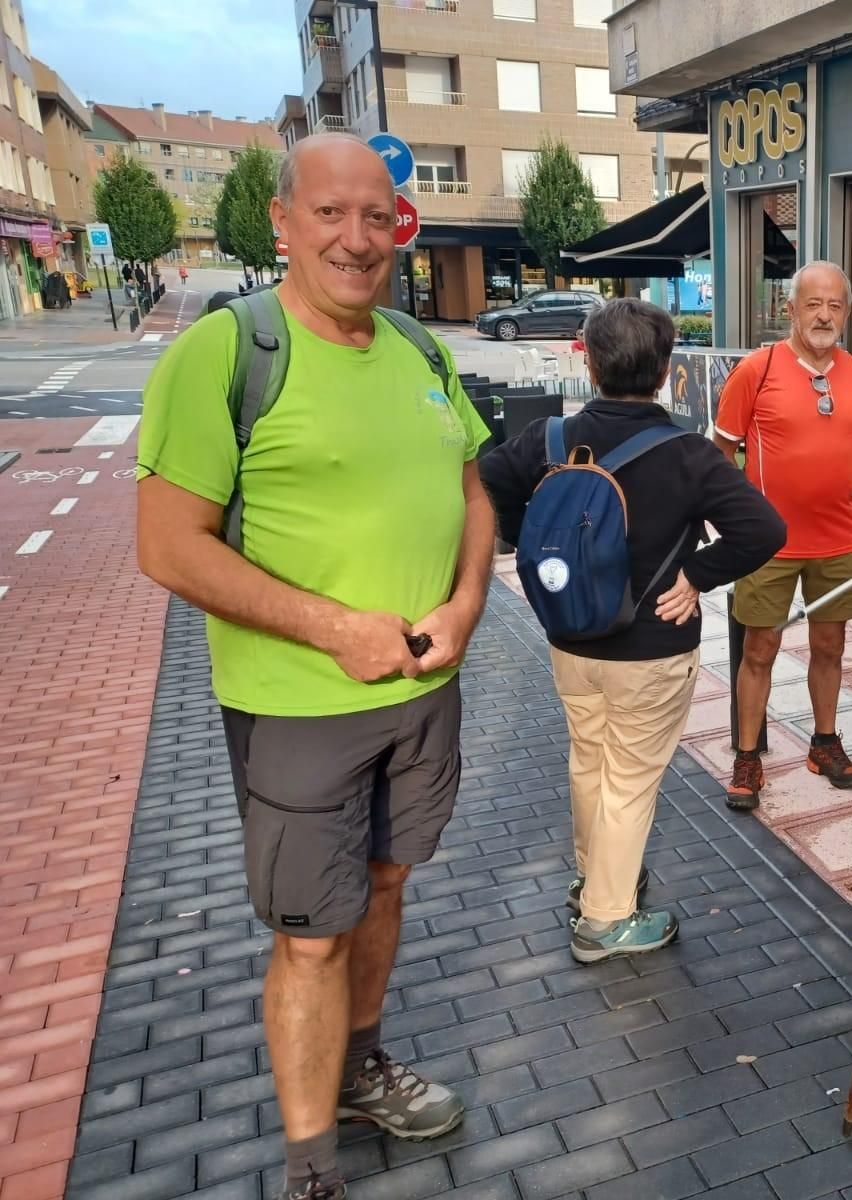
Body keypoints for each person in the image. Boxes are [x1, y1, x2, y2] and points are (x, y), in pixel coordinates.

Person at [134, 133, 494, 1200]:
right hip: (299, 712)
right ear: (282, 225)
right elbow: (169, 547)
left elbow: (472, 493)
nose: (357, 238)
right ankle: (309, 1167)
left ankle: (360, 1066)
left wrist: (470, 601)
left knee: (386, 887)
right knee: (310, 939)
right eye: (330, 214)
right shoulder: (227, 352)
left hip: (426, 695)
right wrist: (335, 628)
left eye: (377, 217)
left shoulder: (418, 350)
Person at [479, 298, 785, 961]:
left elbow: (492, 476)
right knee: (629, 782)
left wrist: (521, 533)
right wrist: (699, 575)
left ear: (588, 361)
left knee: (590, 763)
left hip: (570, 637)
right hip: (651, 644)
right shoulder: (687, 454)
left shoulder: (551, 440)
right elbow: (764, 529)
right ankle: (605, 920)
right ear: (666, 368)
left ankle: (595, 880)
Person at [714, 261, 852, 810]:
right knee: (759, 648)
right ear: (790, 309)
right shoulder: (755, 371)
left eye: (835, 305)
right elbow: (721, 456)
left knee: (830, 645)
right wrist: (733, 522)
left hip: (838, 540)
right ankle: (746, 757)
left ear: (848, 313)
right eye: (813, 304)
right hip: (769, 544)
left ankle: (824, 743)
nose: (824, 315)